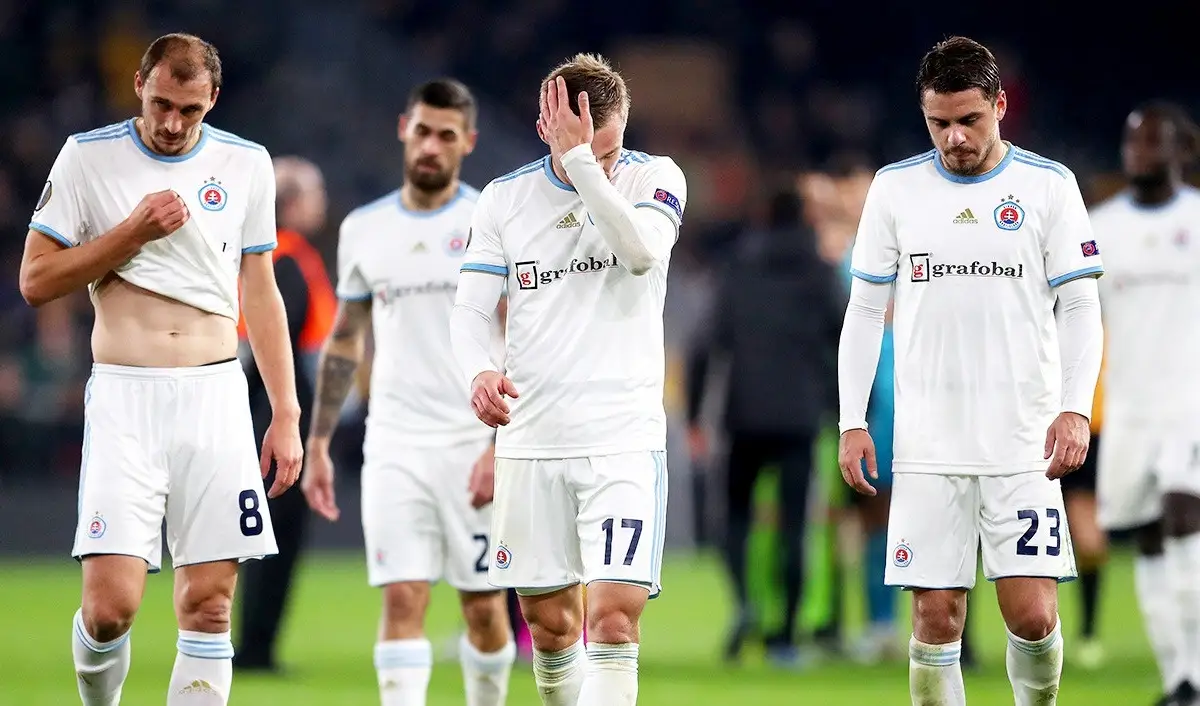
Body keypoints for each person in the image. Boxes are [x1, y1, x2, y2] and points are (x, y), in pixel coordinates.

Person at [18, 33, 302, 706]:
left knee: (210, 605)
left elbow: (260, 290)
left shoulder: (246, 163)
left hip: (216, 395)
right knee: (109, 610)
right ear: (139, 85)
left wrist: (286, 412)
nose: (173, 124)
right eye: (162, 105)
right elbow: (35, 280)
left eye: (190, 110)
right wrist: (131, 232)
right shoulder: (88, 157)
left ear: (214, 100)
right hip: (127, 397)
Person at [837, 36, 1104, 706]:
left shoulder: (1048, 186)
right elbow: (864, 310)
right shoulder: (895, 189)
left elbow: (1080, 306)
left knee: (1034, 617)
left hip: (1023, 442)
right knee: (936, 619)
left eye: (969, 120)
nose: (954, 137)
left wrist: (1075, 407)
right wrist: (852, 420)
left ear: (1000, 106)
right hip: (928, 446)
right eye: (939, 123)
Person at [449, 53, 687, 706]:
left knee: (612, 621)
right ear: (544, 127)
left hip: (621, 438)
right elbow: (470, 310)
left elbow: (640, 253)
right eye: (588, 149)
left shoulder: (654, 177)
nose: (605, 164)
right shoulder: (504, 199)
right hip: (532, 440)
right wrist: (478, 370)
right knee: (552, 629)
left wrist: (581, 162)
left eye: (610, 149)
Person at [301, 78, 515, 706]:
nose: (430, 146)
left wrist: (499, 447)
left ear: (468, 143)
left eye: (446, 135)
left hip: (472, 440)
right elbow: (345, 339)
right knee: (401, 596)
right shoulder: (364, 228)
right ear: (403, 129)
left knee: (483, 607)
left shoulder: (489, 221)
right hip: (394, 442)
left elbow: (520, 337)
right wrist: (318, 441)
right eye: (422, 131)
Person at [685, 185, 842, 665]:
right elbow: (844, 342)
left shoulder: (737, 269)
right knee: (795, 527)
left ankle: (745, 602)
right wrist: (841, 409)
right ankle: (786, 636)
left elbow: (703, 346)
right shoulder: (820, 274)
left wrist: (695, 416)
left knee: (733, 517)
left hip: (744, 415)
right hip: (800, 417)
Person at [1091, 102, 1200, 706]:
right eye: (1133, 142)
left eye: (1153, 142)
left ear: (1181, 150)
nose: (1139, 153)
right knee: (1150, 537)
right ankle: (1177, 677)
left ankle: (1195, 678)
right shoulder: (1101, 229)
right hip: (1129, 409)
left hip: (1190, 403)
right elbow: (1074, 316)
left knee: (1186, 519)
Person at [234, 155, 336, 673]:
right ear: (293, 203)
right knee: (278, 529)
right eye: (315, 196)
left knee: (264, 528)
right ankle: (256, 647)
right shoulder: (288, 260)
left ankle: (255, 645)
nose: (322, 205)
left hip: (258, 404)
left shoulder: (257, 255)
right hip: (278, 408)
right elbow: (280, 340)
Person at [1061, 348, 1107, 671]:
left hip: (1088, 426)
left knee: (1089, 541)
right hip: (1031, 424)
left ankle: (1088, 631)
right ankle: (965, 644)